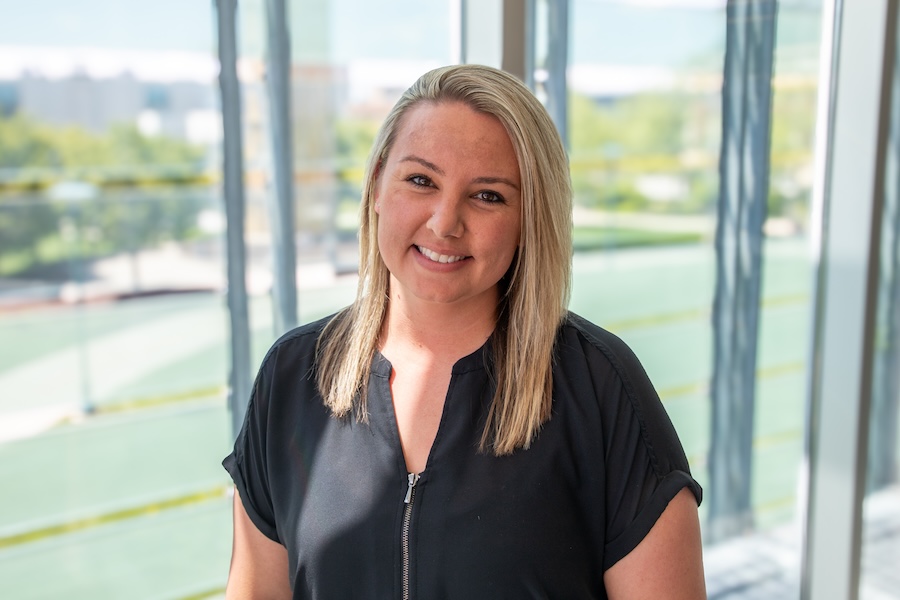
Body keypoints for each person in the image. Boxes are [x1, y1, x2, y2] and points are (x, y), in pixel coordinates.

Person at [223, 64, 706, 599]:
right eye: (421, 180)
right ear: (379, 183)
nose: (444, 222)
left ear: (529, 218)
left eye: (488, 196)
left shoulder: (599, 388)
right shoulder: (293, 377)